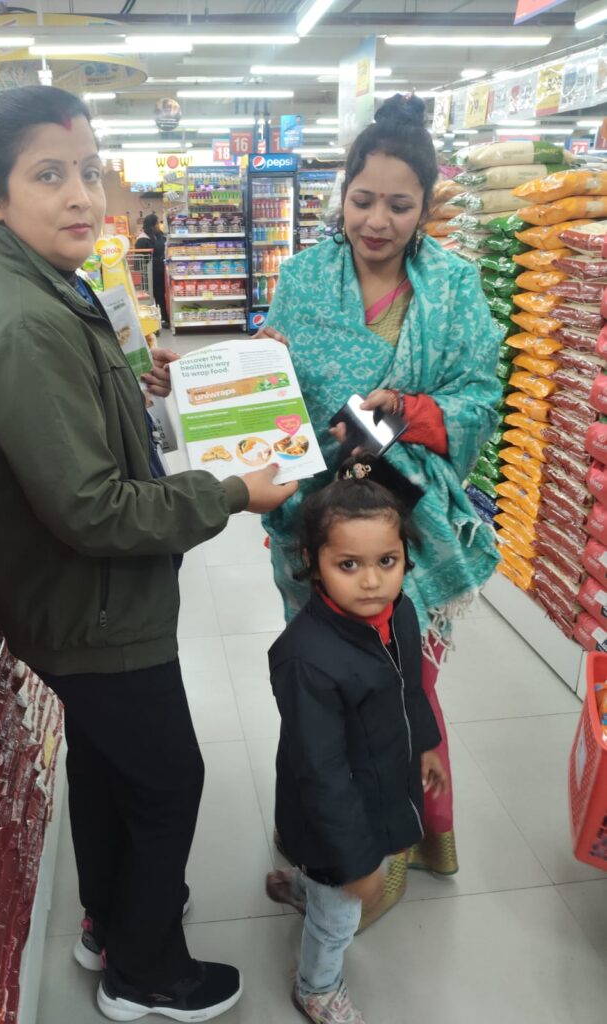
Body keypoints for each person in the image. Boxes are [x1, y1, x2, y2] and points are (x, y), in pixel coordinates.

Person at [0, 84, 296, 1023]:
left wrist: (144, 384)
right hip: (93, 604)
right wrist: (231, 492)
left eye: (88, 170)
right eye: (48, 176)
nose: (80, 195)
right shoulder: (21, 320)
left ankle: (109, 924)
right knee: (168, 778)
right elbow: (90, 507)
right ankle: (147, 975)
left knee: (106, 766)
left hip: (80, 599)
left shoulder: (45, 287)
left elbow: (74, 422)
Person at [257, 94, 502, 922]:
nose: (376, 220)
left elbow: (480, 394)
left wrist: (411, 411)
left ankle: (404, 840)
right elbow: (275, 391)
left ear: (424, 206)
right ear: (343, 193)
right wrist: (255, 369)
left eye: (399, 205)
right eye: (362, 199)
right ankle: (330, 831)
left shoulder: (453, 286)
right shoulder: (301, 278)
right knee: (324, 685)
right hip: (315, 519)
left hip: (406, 522)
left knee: (402, 682)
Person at [265, 457, 448, 1024]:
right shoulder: (306, 658)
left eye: (386, 561)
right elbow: (320, 771)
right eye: (349, 564)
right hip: (333, 811)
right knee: (338, 916)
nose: (371, 581)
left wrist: (425, 744)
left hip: (381, 774)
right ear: (312, 563)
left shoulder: (402, 613)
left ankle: (304, 886)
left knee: (329, 884)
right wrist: (355, 862)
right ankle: (317, 987)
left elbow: (411, 687)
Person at [136, 211, 168, 325]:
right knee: (155, 296)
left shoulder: (158, 235)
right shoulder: (142, 239)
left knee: (160, 295)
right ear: (152, 225)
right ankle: (159, 319)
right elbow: (139, 260)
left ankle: (162, 317)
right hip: (150, 273)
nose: (159, 225)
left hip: (160, 271)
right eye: (157, 223)